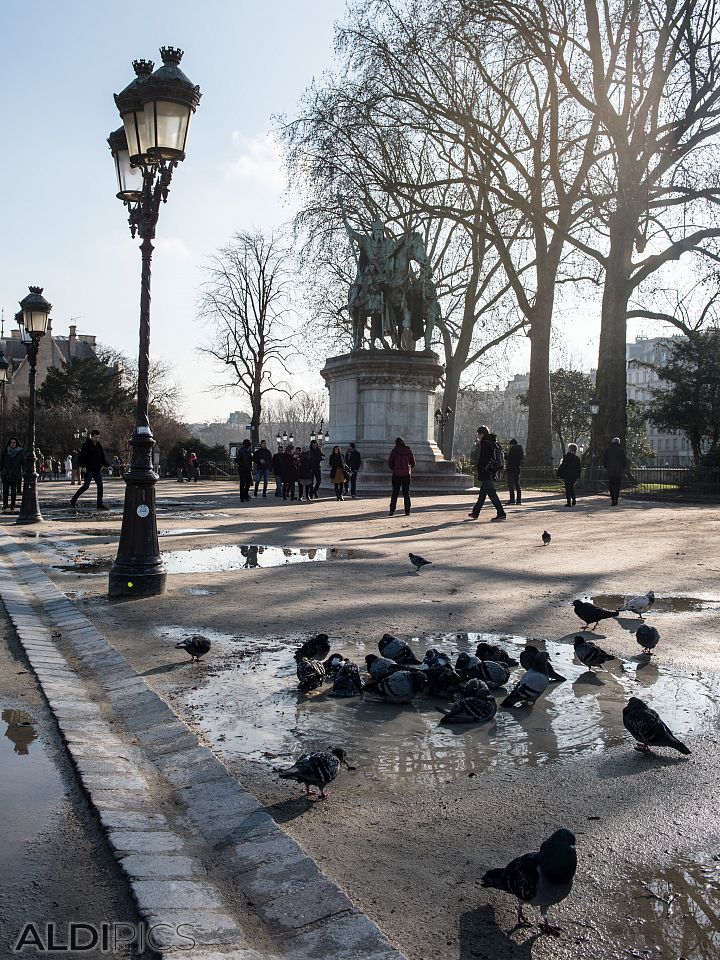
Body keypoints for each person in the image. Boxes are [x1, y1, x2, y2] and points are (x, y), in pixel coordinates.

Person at [467, 425, 506, 521]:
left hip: (487, 471)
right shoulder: (492, 441)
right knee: (482, 494)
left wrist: (482, 468)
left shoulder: (485, 442)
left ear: (482, 434)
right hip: (489, 471)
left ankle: (501, 513)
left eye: (478, 435)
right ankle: (476, 512)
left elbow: (484, 458)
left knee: (492, 494)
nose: (478, 437)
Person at [70, 430, 109, 511]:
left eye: (98, 437)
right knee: (86, 486)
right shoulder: (86, 445)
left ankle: (99, 503)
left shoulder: (98, 445)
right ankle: (73, 499)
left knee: (100, 486)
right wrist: (83, 466)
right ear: (91, 437)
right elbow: (81, 457)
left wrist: (107, 465)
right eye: (95, 437)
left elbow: (102, 457)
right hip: (89, 469)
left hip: (97, 469)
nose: (97, 439)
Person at [388, 436, 416, 516]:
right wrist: (408, 468)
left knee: (395, 493)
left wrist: (394, 469)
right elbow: (413, 463)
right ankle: (407, 510)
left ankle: (392, 510)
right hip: (406, 475)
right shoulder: (408, 450)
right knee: (406, 493)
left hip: (396, 474)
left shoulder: (394, 451)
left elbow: (390, 463)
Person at [602, 437, 628, 506]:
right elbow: (625, 461)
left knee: (611, 485)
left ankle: (613, 498)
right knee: (617, 485)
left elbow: (604, 460)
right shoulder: (621, 450)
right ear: (618, 442)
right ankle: (616, 498)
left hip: (610, 470)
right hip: (619, 471)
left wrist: (607, 467)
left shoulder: (608, 449)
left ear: (612, 442)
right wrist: (623, 468)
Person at [1, 437, 23, 513]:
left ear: (16, 443)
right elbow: (1, 462)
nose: (12, 444)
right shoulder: (5, 451)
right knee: (5, 490)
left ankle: (13, 504)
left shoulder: (20, 452)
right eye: (11, 442)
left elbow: (23, 462)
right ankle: (5, 504)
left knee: (14, 491)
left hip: (15, 474)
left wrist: (24, 472)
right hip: (5, 473)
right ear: (9, 443)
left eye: (14, 442)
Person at [505, 438, 525, 505]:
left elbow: (509, 458)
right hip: (517, 469)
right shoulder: (520, 450)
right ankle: (519, 500)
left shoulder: (512, 450)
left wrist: (505, 455)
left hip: (511, 469)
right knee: (517, 485)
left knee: (511, 485)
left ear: (512, 444)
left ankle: (512, 499)